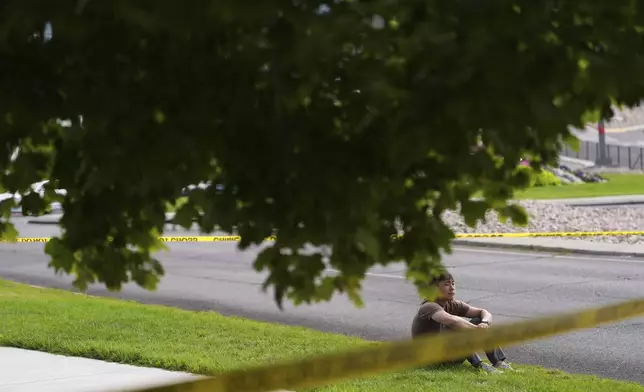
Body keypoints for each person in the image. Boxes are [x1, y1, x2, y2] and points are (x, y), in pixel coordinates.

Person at [411, 272, 513, 374]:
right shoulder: (428, 306)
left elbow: (484, 312)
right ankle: (480, 366)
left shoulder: (452, 304)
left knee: (478, 320)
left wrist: (485, 323)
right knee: (458, 327)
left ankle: (498, 362)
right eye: (447, 284)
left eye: (453, 283)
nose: (452, 288)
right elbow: (453, 322)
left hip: (449, 355)